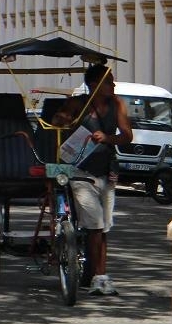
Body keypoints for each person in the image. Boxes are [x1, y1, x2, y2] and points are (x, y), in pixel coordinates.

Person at [52, 64, 134, 296]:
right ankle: (99, 276)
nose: (113, 85)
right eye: (108, 81)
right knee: (96, 223)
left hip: (106, 172)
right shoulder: (78, 103)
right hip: (80, 172)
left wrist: (107, 138)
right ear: (94, 85)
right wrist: (64, 118)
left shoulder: (117, 104)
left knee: (103, 226)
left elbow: (127, 136)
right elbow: (57, 121)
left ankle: (99, 276)